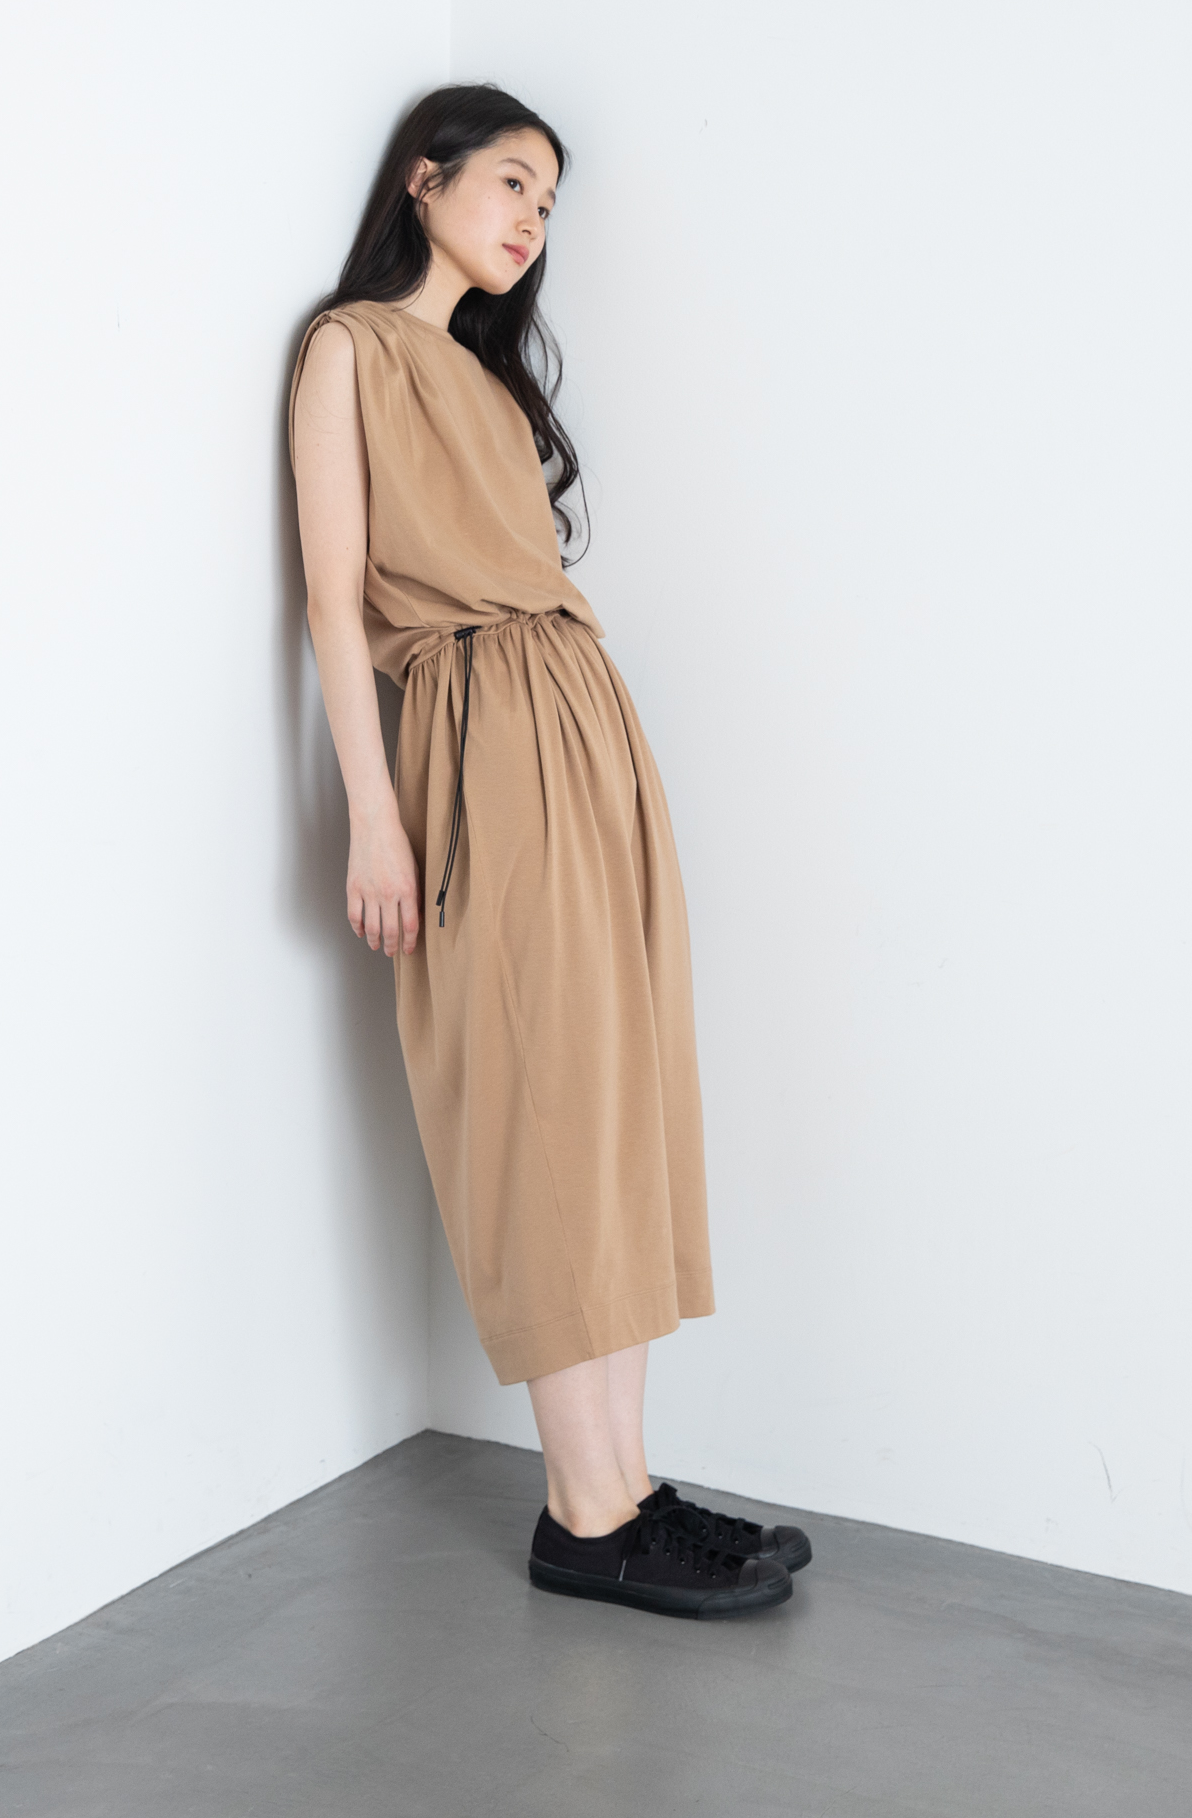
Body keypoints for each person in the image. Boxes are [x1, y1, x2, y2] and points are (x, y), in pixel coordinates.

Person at [288, 84, 809, 1619]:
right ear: (424, 178)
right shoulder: (352, 348)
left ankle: (624, 1488)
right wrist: (374, 813)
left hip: (581, 728)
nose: (530, 219)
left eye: (548, 203)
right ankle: (583, 1515)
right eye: (511, 182)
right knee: (545, 1106)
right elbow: (333, 599)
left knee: (618, 1098)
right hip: (480, 740)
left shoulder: (487, 380)